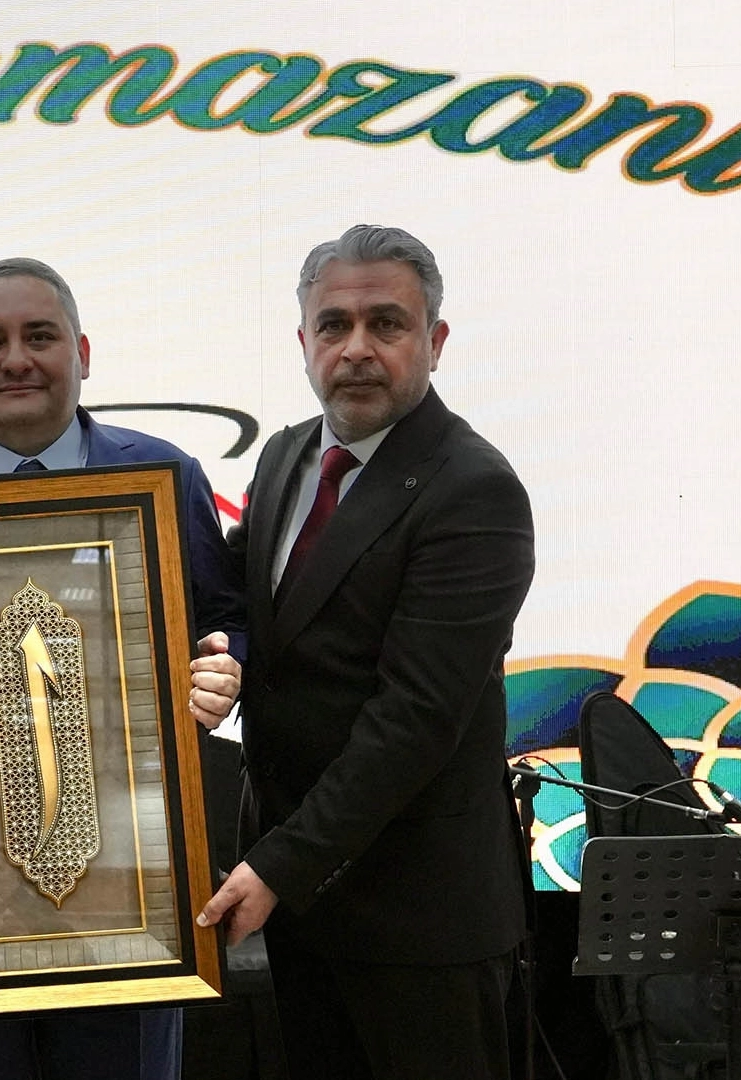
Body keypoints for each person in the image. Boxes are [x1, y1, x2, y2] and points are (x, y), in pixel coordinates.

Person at [0, 257, 246, 1080]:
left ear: (82, 353)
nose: (15, 359)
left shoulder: (165, 474)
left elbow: (225, 621)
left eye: (40, 337)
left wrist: (223, 670)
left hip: (135, 874)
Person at [195, 224, 535, 1080]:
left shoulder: (474, 489)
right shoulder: (286, 456)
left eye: (386, 324)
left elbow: (413, 721)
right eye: (334, 325)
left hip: (422, 920)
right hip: (304, 909)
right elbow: (235, 608)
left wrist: (278, 866)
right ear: (303, 341)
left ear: (435, 341)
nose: (356, 348)